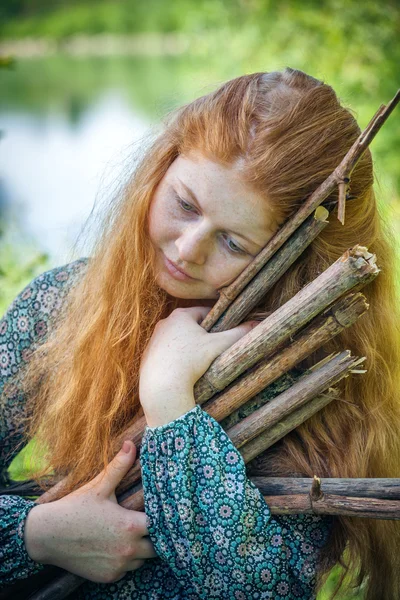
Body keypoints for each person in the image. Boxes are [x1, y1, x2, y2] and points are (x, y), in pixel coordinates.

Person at [1, 67, 399, 599]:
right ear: (161, 169)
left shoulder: (305, 377)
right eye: (185, 205)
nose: (188, 249)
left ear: (294, 260)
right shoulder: (60, 305)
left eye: (234, 243)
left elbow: (261, 590)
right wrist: (37, 534)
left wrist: (170, 401)